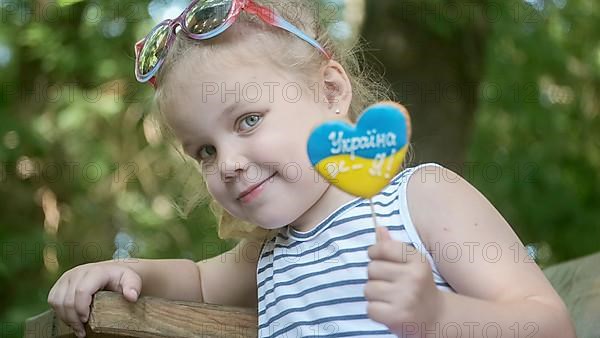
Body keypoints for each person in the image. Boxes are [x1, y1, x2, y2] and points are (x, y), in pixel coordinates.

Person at [48, 0, 575, 337]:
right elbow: (199, 284)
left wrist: (438, 319)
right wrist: (123, 271)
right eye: (203, 150)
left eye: (249, 119)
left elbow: (551, 325)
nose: (226, 163)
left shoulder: (420, 199)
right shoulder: (268, 253)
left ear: (330, 92)